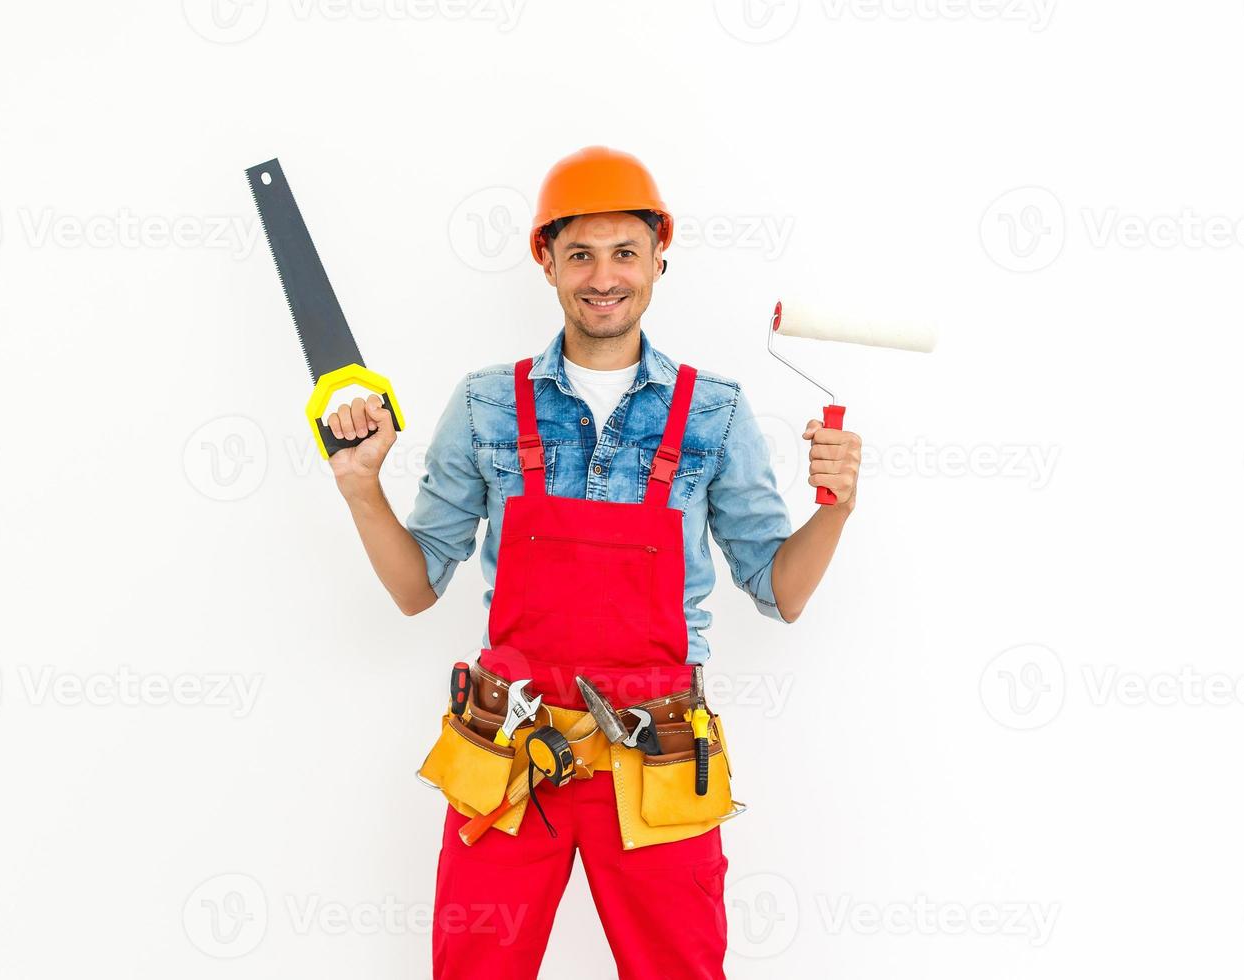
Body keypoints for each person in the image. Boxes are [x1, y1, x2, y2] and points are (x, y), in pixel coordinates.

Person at [324, 146, 860, 979]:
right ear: (546, 261)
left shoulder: (713, 412)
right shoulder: (485, 402)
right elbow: (416, 586)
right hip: (508, 754)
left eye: (624, 253)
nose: (602, 276)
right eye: (580, 253)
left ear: (658, 260)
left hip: (660, 758)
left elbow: (780, 589)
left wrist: (837, 510)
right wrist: (363, 491)